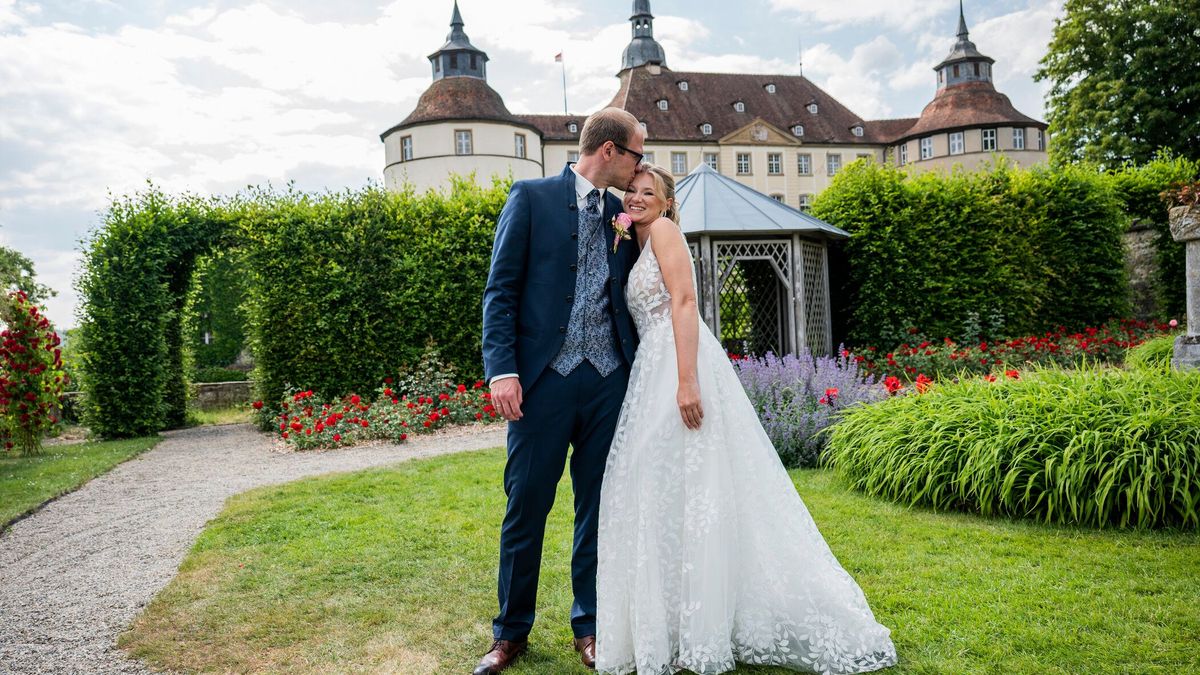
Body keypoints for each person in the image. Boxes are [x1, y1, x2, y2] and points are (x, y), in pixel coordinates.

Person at [595, 166, 898, 675]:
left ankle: (701, 623)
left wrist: (687, 380)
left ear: (668, 204)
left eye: (650, 192)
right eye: (633, 190)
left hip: (677, 362)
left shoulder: (666, 233)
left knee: (688, 484)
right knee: (666, 489)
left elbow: (686, 303)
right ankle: (677, 619)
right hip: (650, 367)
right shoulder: (632, 241)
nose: (638, 197)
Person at [477, 107, 646, 674]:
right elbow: (500, 291)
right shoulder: (530, 198)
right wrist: (502, 370)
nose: (640, 165)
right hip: (541, 383)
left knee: (598, 510)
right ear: (608, 151)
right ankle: (509, 634)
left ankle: (591, 626)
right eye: (636, 154)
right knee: (526, 504)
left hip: (608, 382)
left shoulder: (629, 213)